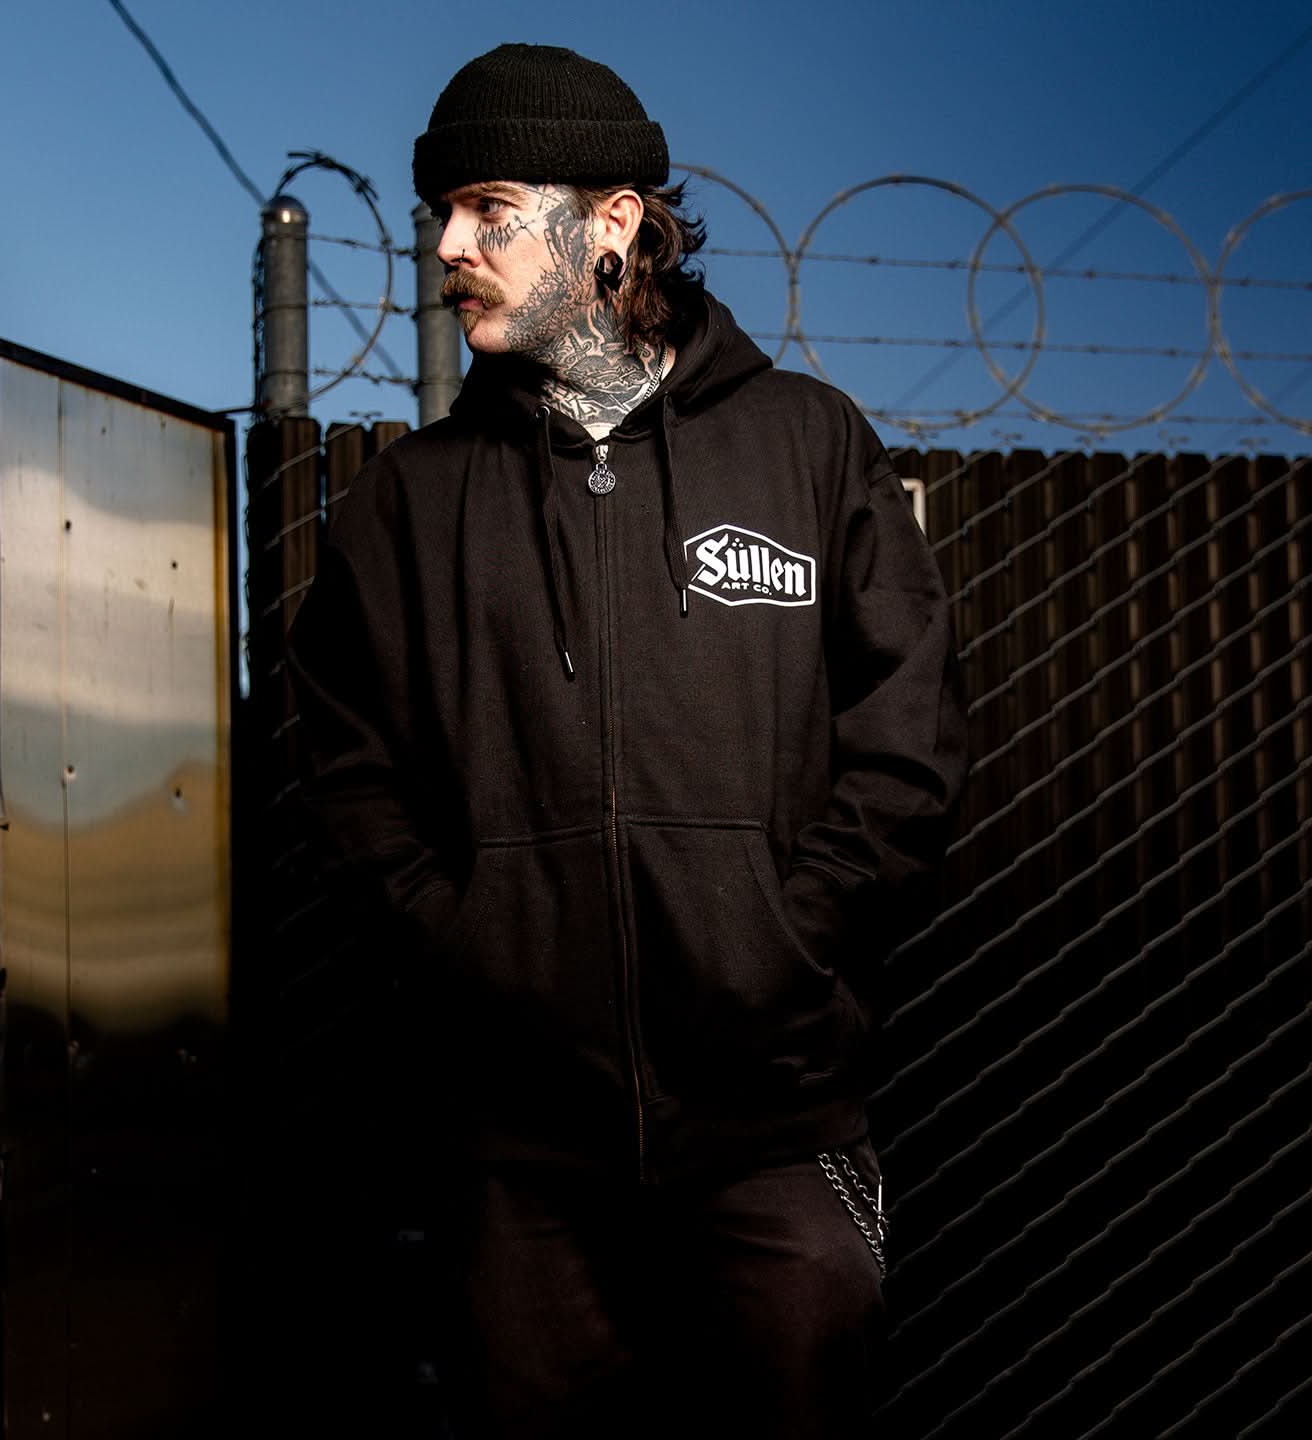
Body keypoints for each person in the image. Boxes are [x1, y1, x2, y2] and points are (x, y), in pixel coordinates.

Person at [285, 41, 968, 1440]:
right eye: (439, 216)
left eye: (485, 205)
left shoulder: (807, 446)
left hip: (778, 1122)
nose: (445, 247)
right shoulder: (407, 505)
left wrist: (779, 943)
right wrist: (470, 941)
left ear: (610, 222)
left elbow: (907, 745)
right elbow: (346, 774)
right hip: (520, 1144)